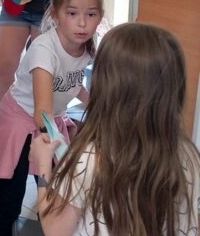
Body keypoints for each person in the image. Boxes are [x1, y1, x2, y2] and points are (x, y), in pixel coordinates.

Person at [30, 23, 200, 236]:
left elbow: (54, 230)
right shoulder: (190, 155)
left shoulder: (91, 159)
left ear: (105, 87)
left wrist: (44, 163)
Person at [0, 0, 103, 236]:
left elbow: (72, 82)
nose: (82, 23)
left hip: (50, 125)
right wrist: (67, 155)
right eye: (72, 13)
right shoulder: (44, 49)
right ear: (56, 14)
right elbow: (42, 114)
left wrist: (99, 107)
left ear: (100, 16)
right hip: (20, 124)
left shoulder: (86, 46)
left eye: (91, 14)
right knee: (9, 202)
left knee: (55, 201)